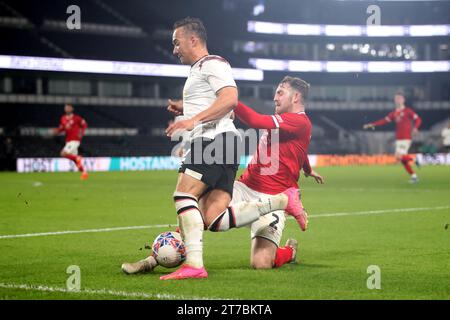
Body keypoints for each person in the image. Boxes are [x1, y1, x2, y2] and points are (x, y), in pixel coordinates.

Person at [122, 76, 322, 274]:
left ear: (296, 97)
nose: (275, 98)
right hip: (245, 187)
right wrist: (307, 168)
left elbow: (255, 120)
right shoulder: (288, 123)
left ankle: (289, 251)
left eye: (280, 92)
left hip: (276, 197)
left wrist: (230, 101)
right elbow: (300, 149)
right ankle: (152, 259)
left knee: (261, 263)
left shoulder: (299, 121)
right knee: (199, 214)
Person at [156, 17, 304, 280]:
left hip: (214, 141)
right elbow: (217, 101)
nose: (174, 49)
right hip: (223, 145)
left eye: (176, 43)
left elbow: (230, 98)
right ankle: (276, 202)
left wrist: (192, 119)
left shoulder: (213, 63)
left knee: (183, 196)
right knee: (211, 216)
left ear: (193, 40)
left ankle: (194, 264)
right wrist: (186, 108)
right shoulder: (199, 70)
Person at [363, 92, 422, 183]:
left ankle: (415, 159)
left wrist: (416, 128)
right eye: (396, 98)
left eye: (399, 98)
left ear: (403, 100)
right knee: (402, 160)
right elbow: (384, 121)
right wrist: (372, 124)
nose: (397, 100)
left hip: (406, 137)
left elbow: (418, 119)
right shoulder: (394, 113)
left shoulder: (408, 111)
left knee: (398, 156)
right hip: (399, 138)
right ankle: (414, 176)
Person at [54, 103, 88, 180]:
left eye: (68, 107)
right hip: (68, 140)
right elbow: (62, 128)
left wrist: (81, 133)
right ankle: (84, 173)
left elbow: (84, 125)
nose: (67, 109)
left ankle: (77, 157)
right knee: (76, 161)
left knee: (63, 153)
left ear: (72, 109)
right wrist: (57, 131)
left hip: (75, 140)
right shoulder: (63, 118)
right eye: (66, 107)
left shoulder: (77, 118)